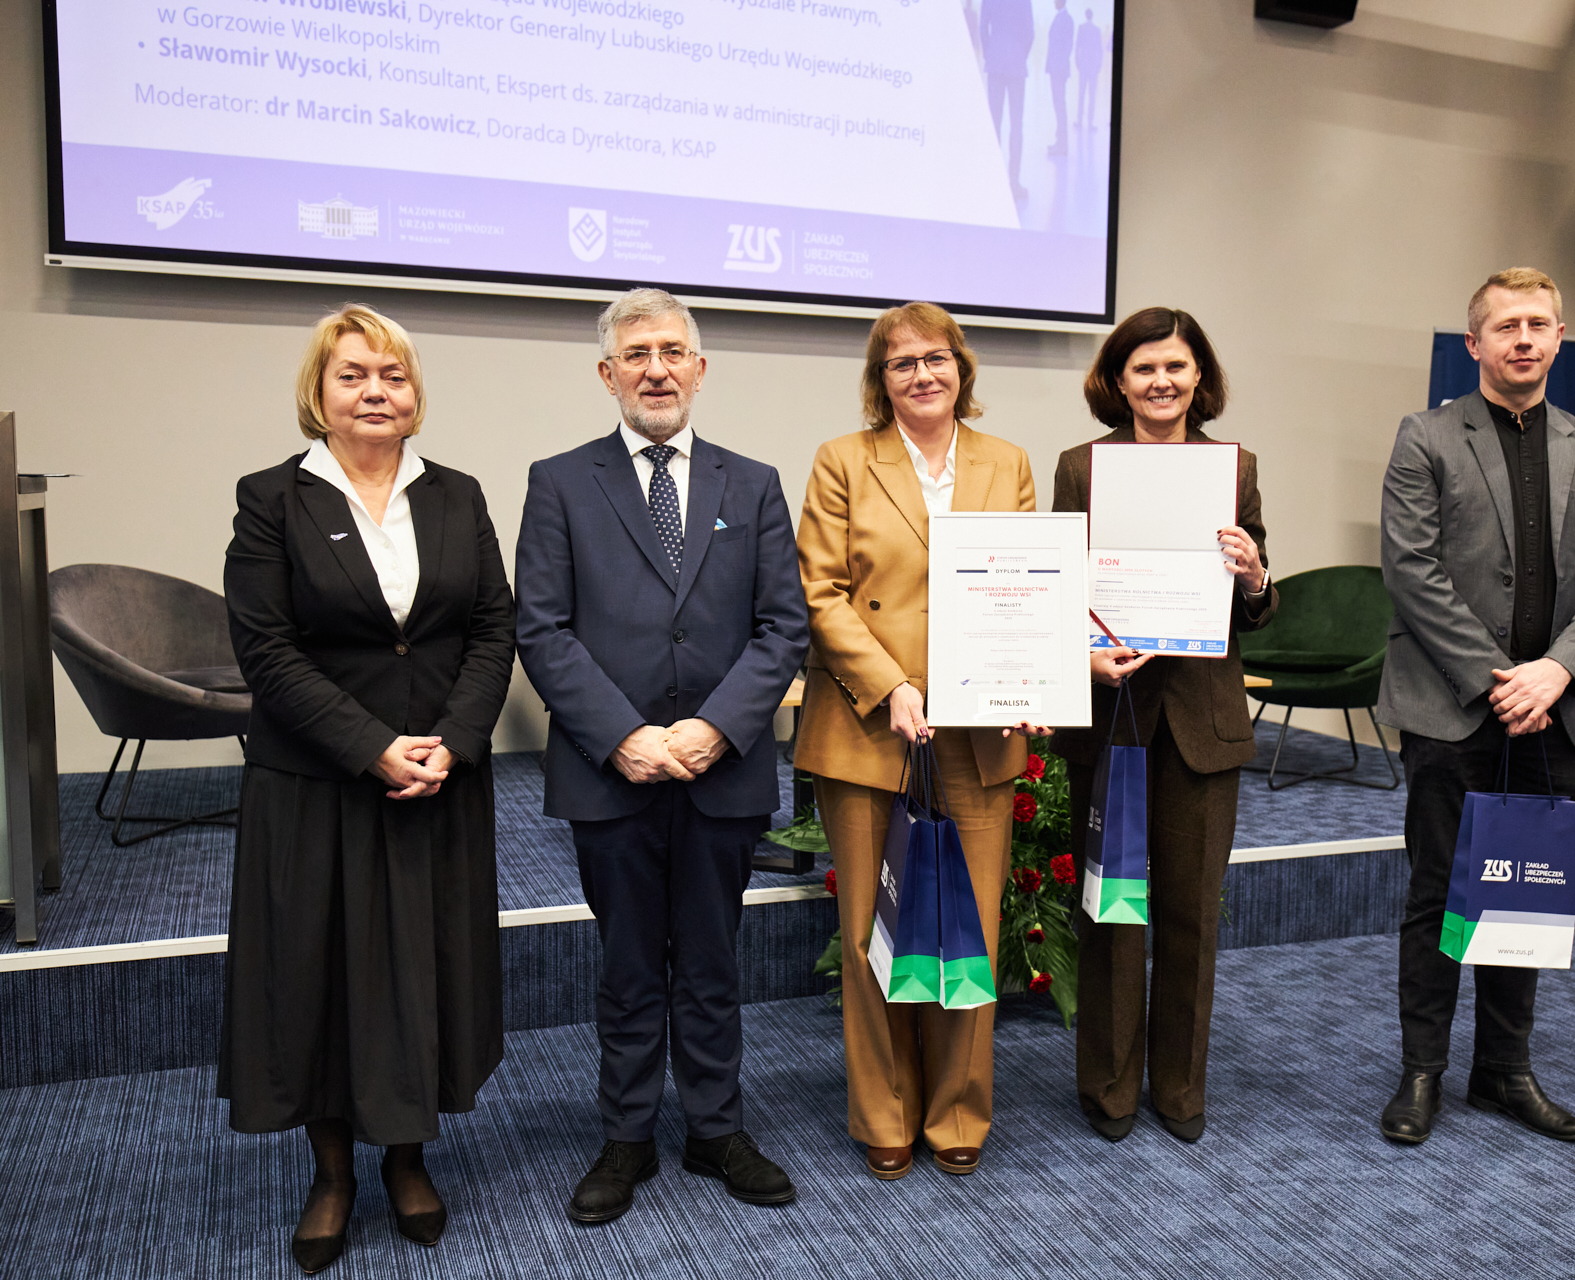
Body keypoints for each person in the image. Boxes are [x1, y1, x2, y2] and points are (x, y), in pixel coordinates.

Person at [221, 304, 516, 1275]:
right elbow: (265, 649)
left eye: (392, 375)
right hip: (319, 784)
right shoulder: (272, 498)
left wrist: (455, 742)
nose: (374, 392)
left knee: (422, 969)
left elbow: (492, 627)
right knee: (321, 977)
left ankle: (408, 1157)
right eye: (352, 375)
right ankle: (332, 1172)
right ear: (319, 392)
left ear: (415, 392)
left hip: (436, 780)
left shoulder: (458, 494)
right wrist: (372, 746)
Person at [515, 288, 809, 1220]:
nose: (657, 369)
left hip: (724, 769)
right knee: (631, 964)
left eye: (673, 351)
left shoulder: (751, 482)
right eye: (637, 354)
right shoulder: (561, 481)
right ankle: (628, 1135)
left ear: (700, 369)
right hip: (612, 772)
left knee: (714, 960)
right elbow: (542, 628)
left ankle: (716, 1128)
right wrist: (623, 736)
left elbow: (783, 625)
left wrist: (717, 727)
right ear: (608, 373)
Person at [1374, 268, 1575, 1146]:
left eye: (1539, 324)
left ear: (1560, 337)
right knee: (1437, 894)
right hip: (1454, 708)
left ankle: (1504, 1072)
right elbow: (1412, 570)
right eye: (1506, 325)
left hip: (1555, 712)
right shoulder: (1426, 436)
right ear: (1475, 343)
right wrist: (1499, 680)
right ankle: (1422, 1071)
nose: (1524, 338)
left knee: (1526, 894)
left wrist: (1555, 672)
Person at [795, 302, 1046, 1181]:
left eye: (936, 359)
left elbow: (1027, 587)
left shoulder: (1007, 462)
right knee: (875, 930)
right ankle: (885, 1112)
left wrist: (1028, 681)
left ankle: (958, 1110)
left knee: (970, 930)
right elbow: (821, 593)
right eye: (901, 363)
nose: (922, 375)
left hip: (976, 737)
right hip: (870, 728)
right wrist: (892, 685)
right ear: (881, 380)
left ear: (961, 369)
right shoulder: (842, 460)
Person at [1053, 307, 1277, 1144]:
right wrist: (1083, 651)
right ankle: (1108, 1088)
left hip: (1201, 723)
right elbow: (1060, 588)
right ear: (1118, 381)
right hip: (1111, 716)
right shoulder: (1082, 467)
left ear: (1198, 377)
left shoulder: (1234, 468)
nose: (1161, 382)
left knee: (1191, 915)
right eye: (1144, 368)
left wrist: (1254, 574)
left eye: (1176, 367)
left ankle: (1180, 1089)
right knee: (1111, 912)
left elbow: (1255, 606)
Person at [980, 0, 1035, 199]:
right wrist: (1019, 54)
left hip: (995, 63)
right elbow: (1030, 33)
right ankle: (1013, 182)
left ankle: (992, 180)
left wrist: (990, 54)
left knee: (994, 123)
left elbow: (983, 29)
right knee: (1016, 126)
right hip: (1016, 65)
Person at [1045, 0, 1074, 156]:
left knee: (1060, 106)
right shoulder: (1061, 18)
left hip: (1058, 70)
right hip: (1056, 69)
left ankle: (1062, 145)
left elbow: (1067, 46)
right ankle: (1060, 142)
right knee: (1058, 105)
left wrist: (1058, 67)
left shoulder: (1066, 19)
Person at [1074, 8, 1103, 128]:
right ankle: (1090, 122)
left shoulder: (1081, 28)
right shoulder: (1097, 30)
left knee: (1081, 94)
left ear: (1086, 15)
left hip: (1084, 65)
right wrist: (1099, 65)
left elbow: (1077, 47)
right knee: (1092, 95)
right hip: (1093, 66)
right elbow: (1100, 50)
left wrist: (1077, 63)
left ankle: (1079, 120)